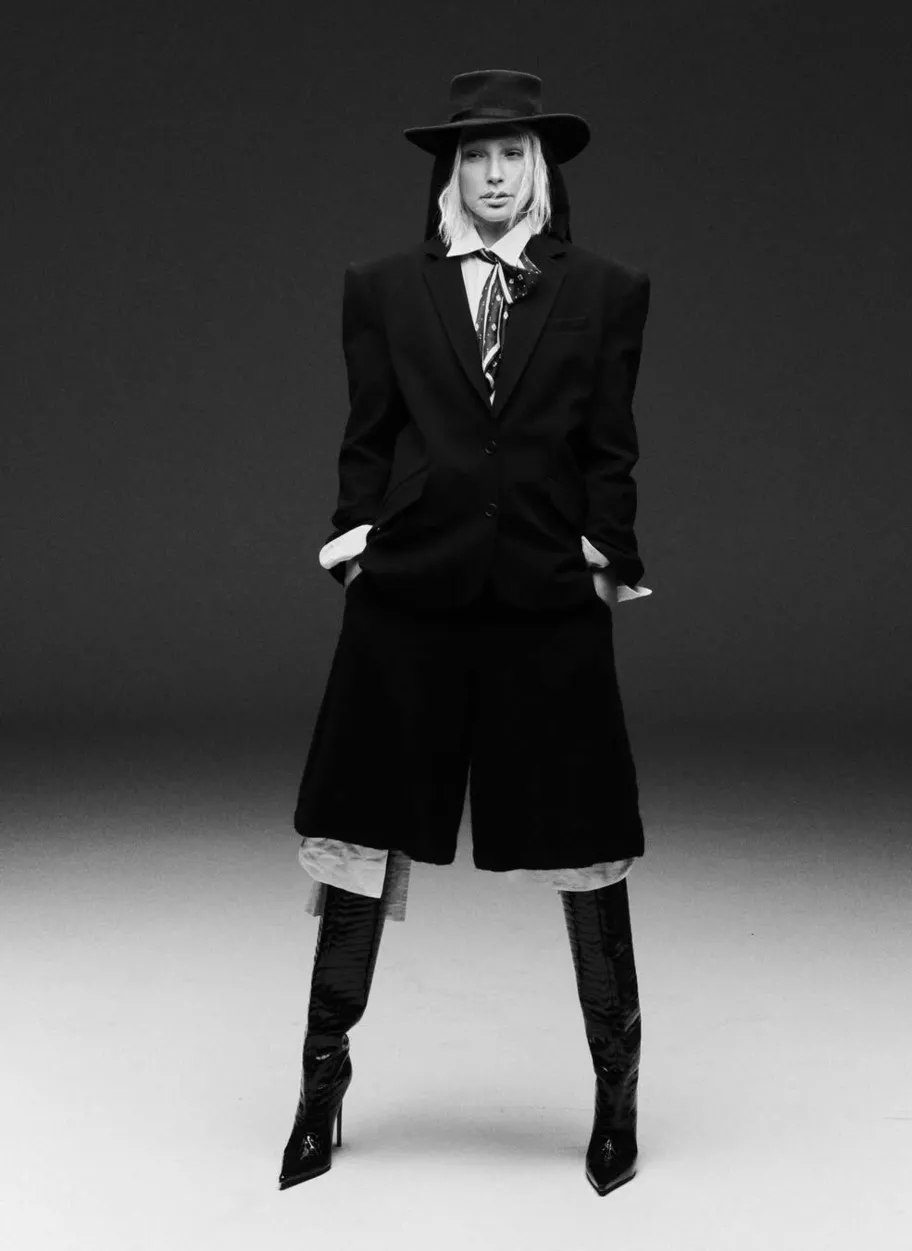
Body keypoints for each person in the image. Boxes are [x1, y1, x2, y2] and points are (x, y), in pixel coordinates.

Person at [279, 69, 653, 1198]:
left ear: (540, 169)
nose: (493, 175)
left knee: (590, 840)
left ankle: (617, 1089)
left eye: (513, 155)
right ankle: (320, 1084)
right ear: (452, 170)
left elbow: (610, 446)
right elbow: (369, 433)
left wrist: (605, 554)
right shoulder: (386, 288)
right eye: (475, 156)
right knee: (358, 835)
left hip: (545, 593)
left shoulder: (606, 290)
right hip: (410, 590)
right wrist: (353, 543)